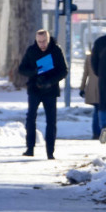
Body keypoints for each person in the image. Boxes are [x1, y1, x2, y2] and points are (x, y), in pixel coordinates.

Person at [18, 29, 68, 159]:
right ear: (36, 40)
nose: (42, 44)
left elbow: (64, 70)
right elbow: (22, 69)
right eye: (39, 41)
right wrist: (34, 71)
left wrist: (51, 81)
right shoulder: (31, 50)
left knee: (51, 121)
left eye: (44, 41)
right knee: (30, 119)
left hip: (50, 90)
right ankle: (30, 148)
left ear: (48, 39)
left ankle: (50, 152)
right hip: (34, 89)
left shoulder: (56, 50)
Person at [80, 52, 101, 140]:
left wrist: (82, 88)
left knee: (96, 110)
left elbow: (85, 74)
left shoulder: (89, 58)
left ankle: (96, 133)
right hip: (103, 87)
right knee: (100, 110)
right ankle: (100, 131)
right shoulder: (105, 56)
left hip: (92, 87)